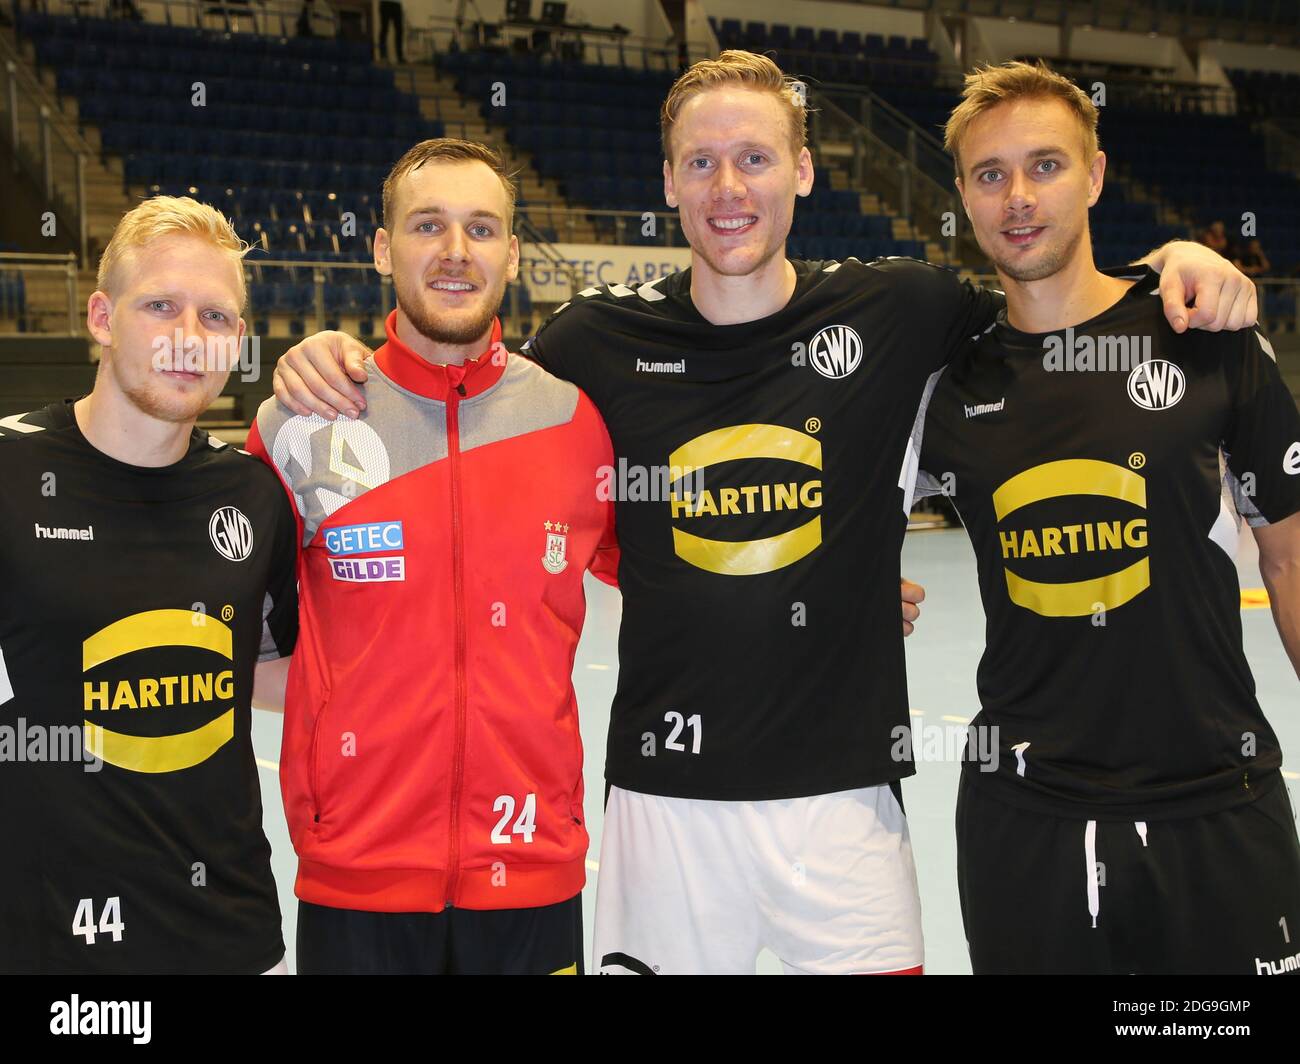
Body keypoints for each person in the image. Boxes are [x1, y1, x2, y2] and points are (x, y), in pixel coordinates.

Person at [272, 52, 1256, 975]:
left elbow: (1048, 287)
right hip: (664, 808)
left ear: (803, 171)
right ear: (667, 182)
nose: (728, 188)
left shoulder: (903, 308)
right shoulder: (590, 344)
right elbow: (470, 390)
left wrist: (1172, 264)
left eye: (753, 158)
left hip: (846, 810)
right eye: (700, 162)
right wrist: (329, 354)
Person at [911, 60, 1300, 974]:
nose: (1017, 197)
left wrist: (1179, 254)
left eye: (1045, 166)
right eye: (989, 173)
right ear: (962, 194)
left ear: (1093, 175)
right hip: (1029, 821)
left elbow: (1288, 558)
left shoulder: (1205, 335)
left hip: (1219, 806)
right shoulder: (940, 384)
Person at [246, 139, 619, 974]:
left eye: (482, 228)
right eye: (428, 226)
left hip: (531, 869)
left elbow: (682, 578)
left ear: (513, 254)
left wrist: (836, 582)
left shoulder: (575, 423)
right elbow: (236, 641)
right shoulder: (303, 425)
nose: (456, 252)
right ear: (383, 250)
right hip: (358, 879)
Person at [0, 196, 298, 974]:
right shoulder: (9, 472)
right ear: (101, 317)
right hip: (50, 944)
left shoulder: (253, 496)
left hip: (226, 933)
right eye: (160, 306)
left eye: (216, 317)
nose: (188, 340)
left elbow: (271, 670)